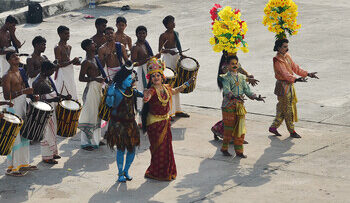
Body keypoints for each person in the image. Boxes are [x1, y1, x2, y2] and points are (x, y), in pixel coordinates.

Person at [141, 57, 195, 181]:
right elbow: (147, 98)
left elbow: (176, 90)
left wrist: (187, 83)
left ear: (162, 77)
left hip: (165, 123)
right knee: (158, 149)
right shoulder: (152, 90)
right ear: (151, 78)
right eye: (153, 76)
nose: (156, 78)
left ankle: (166, 172)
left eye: (158, 75)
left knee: (166, 149)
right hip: (154, 124)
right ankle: (156, 172)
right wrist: (146, 96)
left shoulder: (166, 87)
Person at [269, 39, 318, 138]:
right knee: (288, 109)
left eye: (287, 46)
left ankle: (273, 127)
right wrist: (296, 79)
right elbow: (285, 74)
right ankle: (292, 131)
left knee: (282, 109)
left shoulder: (287, 56)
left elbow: (295, 68)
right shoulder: (277, 60)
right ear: (278, 48)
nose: (287, 48)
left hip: (289, 85)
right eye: (285, 47)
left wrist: (307, 74)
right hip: (283, 87)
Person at [218, 55, 265, 158]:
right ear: (228, 66)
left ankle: (239, 152)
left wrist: (256, 97)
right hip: (229, 106)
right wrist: (234, 96)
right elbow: (226, 90)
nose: (234, 65)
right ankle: (224, 148)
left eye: (236, 63)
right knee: (229, 129)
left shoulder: (242, 77)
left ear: (238, 65)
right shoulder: (226, 78)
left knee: (240, 129)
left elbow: (247, 90)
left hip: (239, 106)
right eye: (232, 64)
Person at [105, 62, 143, 182]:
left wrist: (151, 91)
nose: (130, 80)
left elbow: (143, 95)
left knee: (132, 149)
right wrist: (110, 94)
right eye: (128, 79)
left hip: (130, 124)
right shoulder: (115, 91)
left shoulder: (131, 90)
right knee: (121, 149)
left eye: (131, 78)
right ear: (122, 80)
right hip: (118, 125)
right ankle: (120, 173)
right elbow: (109, 104)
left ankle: (126, 170)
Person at [2, 51, 37, 176]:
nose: (16, 58)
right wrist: (23, 92)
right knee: (15, 138)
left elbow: (27, 86)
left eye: (17, 55)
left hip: (22, 105)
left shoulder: (21, 71)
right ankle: (13, 168)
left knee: (24, 135)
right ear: (9, 61)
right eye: (13, 57)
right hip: (13, 107)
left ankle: (24, 164)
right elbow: (6, 96)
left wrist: (33, 97)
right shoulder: (7, 76)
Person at [211, 51, 259, 141]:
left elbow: (242, 72)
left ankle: (238, 137)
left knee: (238, 117)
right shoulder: (225, 68)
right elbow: (232, 78)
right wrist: (248, 79)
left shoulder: (235, 63)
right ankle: (224, 134)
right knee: (230, 118)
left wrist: (249, 76)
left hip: (239, 98)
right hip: (230, 97)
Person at [33, 60, 71, 164]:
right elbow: (36, 100)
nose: (53, 72)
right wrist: (52, 100)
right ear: (45, 70)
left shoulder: (47, 78)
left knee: (53, 131)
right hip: (44, 111)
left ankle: (53, 152)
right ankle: (46, 157)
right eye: (52, 70)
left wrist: (64, 97)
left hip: (51, 108)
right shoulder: (37, 82)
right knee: (47, 133)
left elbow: (53, 92)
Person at [159, 15, 189, 118]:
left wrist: (181, 55)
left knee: (177, 84)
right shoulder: (163, 36)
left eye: (174, 21)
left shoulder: (176, 33)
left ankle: (177, 110)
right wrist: (168, 51)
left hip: (175, 57)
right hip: (167, 58)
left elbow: (179, 46)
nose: (174, 24)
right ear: (167, 25)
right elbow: (160, 51)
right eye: (172, 22)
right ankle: (168, 112)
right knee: (168, 84)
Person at [78, 39, 105, 151]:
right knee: (89, 114)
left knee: (97, 114)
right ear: (87, 47)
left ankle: (96, 139)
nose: (95, 44)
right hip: (91, 88)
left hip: (97, 87)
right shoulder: (86, 62)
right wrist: (94, 78)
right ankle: (85, 142)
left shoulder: (95, 58)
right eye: (93, 43)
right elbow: (81, 78)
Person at [131, 26, 157, 121]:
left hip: (148, 70)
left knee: (150, 91)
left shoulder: (146, 43)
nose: (142, 35)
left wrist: (154, 57)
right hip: (141, 72)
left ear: (146, 34)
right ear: (136, 34)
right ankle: (141, 119)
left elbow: (151, 56)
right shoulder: (135, 47)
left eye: (143, 33)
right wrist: (147, 59)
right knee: (143, 92)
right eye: (140, 33)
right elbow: (133, 63)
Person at [54, 25, 80, 100]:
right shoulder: (57, 47)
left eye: (68, 33)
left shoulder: (69, 46)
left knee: (71, 87)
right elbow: (58, 64)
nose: (68, 35)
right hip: (62, 72)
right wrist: (72, 61)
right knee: (64, 90)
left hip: (69, 72)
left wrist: (76, 62)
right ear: (60, 34)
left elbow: (67, 61)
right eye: (65, 34)